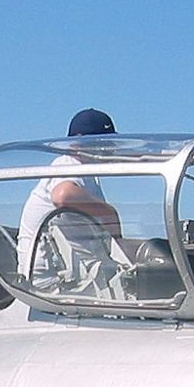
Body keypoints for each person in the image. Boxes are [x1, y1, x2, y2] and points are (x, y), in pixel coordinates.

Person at [16, 108, 124, 287]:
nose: (110, 150)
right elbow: (63, 195)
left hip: (75, 274)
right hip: (49, 282)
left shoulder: (88, 174)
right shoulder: (67, 165)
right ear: (78, 143)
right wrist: (109, 213)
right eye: (105, 143)